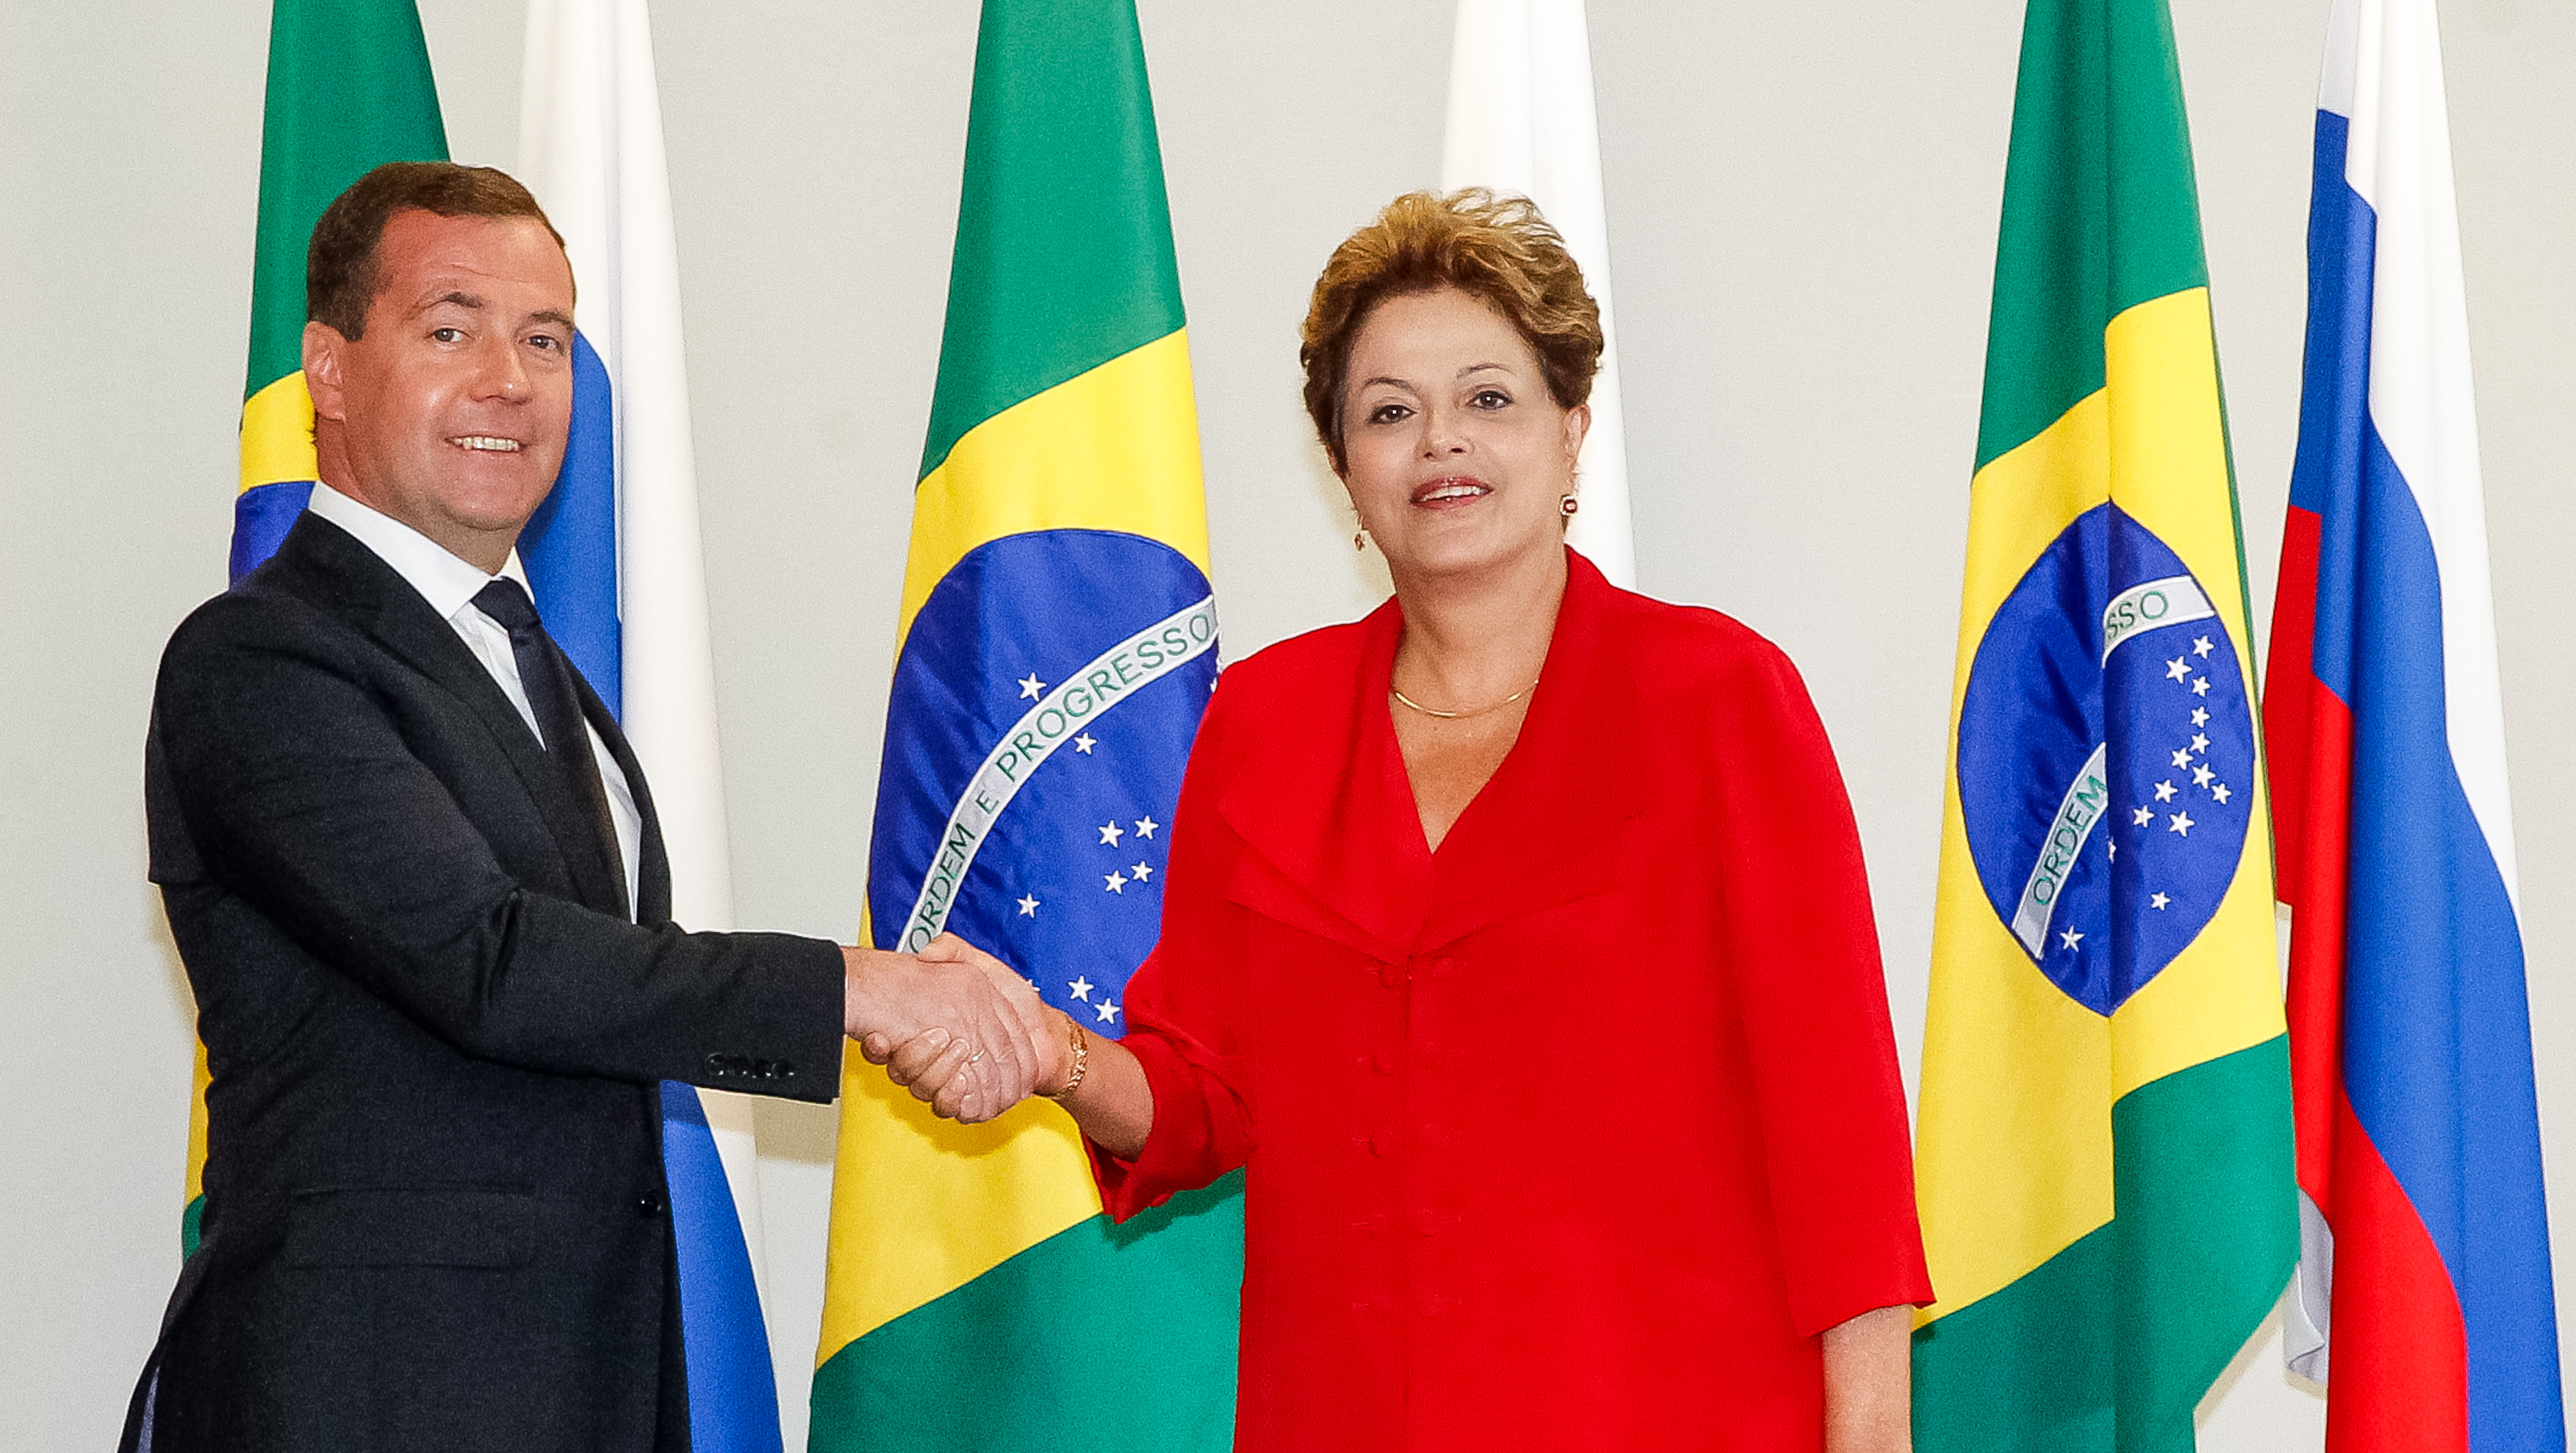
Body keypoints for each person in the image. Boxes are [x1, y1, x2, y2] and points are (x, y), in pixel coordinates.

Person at [886, 190, 1933, 1452]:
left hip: (1663, 1411)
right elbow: (1203, 1096)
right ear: (1345, 469)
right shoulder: (1264, 718)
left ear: (1570, 430)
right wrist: (1044, 1048)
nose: (1441, 442)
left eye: (1488, 397)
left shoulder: (1718, 699)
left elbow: (1842, 1152)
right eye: (1389, 412)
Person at [129, 162, 1035, 1453]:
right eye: (452, 327)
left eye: (544, 338)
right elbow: (488, 959)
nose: (509, 376)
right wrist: (860, 990)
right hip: (365, 1396)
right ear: (330, 369)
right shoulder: (260, 660)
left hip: (589, 1386)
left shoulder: (536, 662)